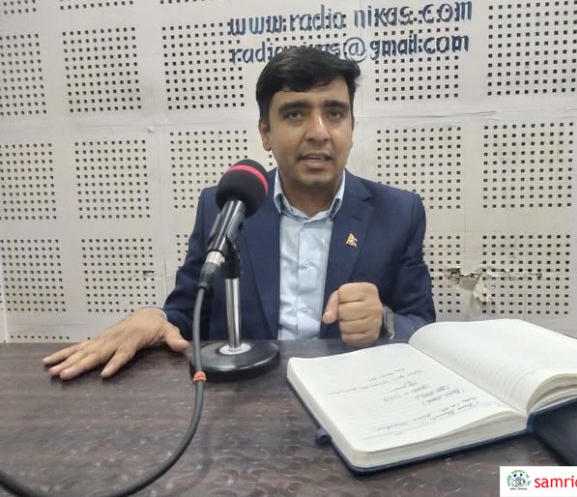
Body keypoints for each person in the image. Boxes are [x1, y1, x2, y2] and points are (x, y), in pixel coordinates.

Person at [43, 46, 435, 380]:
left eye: (334, 114)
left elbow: (423, 327)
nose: (319, 132)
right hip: (245, 402)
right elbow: (188, 311)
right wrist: (156, 317)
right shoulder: (226, 206)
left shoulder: (399, 213)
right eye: (295, 114)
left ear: (351, 127)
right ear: (265, 132)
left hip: (354, 394)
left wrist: (384, 322)